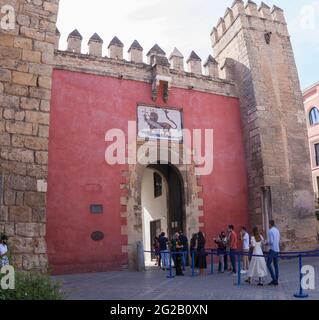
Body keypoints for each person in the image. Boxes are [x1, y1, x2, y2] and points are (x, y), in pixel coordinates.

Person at [266, 220, 280, 286]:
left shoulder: (270, 231)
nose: (268, 225)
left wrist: (266, 243)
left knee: (268, 263)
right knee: (276, 265)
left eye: (268, 224)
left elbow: (271, 241)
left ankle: (274, 279)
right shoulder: (277, 230)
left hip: (272, 249)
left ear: (270, 224)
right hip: (277, 249)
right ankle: (276, 279)